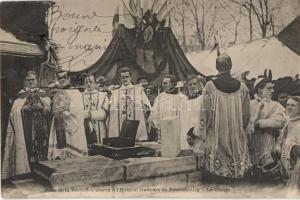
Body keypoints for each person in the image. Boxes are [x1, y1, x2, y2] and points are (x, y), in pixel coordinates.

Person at [203, 54, 251, 179]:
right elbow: (246, 116)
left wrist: (204, 131)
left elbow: (206, 115)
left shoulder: (210, 86)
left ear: (216, 67)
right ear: (231, 66)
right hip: (237, 137)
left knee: (217, 178)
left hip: (218, 137)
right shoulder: (242, 87)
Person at [2, 71, 51, 180]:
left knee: (42, 148)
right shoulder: (21, 94)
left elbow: (49, 108)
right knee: (29, 148)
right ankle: (28, 173)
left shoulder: (43, 93)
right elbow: (14, 111)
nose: (31, 82)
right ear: (25, 81)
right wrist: (23, 109)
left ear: (37, 80)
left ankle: (43, 172)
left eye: (33, 79)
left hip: (42, 127)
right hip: (25, 128)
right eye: (29, 80)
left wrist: (43, 108)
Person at [48, 71, 88, 159]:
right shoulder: (57, 92)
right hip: (58, 126)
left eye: (65, 77)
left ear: (69, 78)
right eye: (60, 78)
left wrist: (63, 113)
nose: (62, 79)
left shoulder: (76, 92)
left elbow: (77, 112)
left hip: (72, 130)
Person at [247, 78, 285, 167]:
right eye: (269, 88)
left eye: (273, 88)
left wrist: (260, 123)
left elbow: (281, 121)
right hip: (251, 145)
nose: (273, 91)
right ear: (260, 90)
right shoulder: (249, 104)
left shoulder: (275, 105)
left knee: (268, 169)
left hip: (268, 144)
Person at [108, 67, 150, 141]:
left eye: (127, 77)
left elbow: (146, 106)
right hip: (120, 125)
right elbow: (111, 110)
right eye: (123, 77)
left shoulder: (138, 90)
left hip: (136, 124)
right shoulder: (115, 93)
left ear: (130, 77)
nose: (125, 79)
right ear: (120, 79)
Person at [149, 75, 186, 143]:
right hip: (163, 129)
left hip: (176, 129)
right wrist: (157, 124)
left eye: (165, 83)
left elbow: (184, 115)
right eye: (162, 83)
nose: (163, 85)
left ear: (172, 84)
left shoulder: (181, 97)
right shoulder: (160, 97)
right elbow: (154, 113)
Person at [275, 96, 300, 187]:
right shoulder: (288, 122)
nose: (289, 107)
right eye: (287, 105)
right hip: (285, 164)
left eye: (293, 105)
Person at [182, 75, 209, 152]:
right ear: (187, 86)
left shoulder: (202, 99)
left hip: (198, 133)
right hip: (186, 133)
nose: (192, 86)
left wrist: (195, 133)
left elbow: (203, 118)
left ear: (199, 84)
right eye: (190, 84)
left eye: (194, 84)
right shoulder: (184, 101)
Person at [83, 74, 109, 146]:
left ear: (95, 83)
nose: (88, 84)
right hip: (84, 128)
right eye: (86, 82)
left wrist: (88, 114)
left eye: (90, 82)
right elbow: (78, 113)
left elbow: (104, 114)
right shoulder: (79, 96)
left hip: (100, 128)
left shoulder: (103, 95)